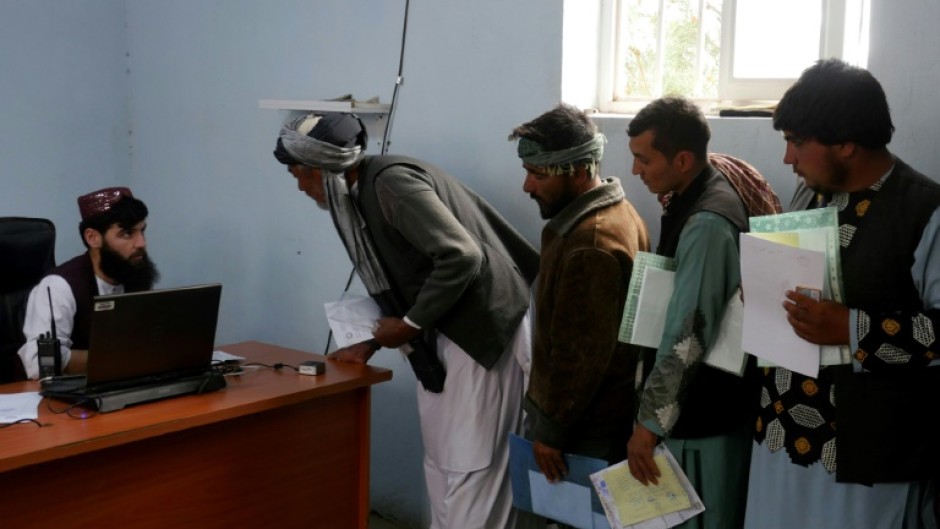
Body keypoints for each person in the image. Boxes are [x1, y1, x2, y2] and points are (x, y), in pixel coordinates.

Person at [272, 112, 540, 529]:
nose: (300, 187)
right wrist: (374, 340)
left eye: (298, 175)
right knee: (443, 462)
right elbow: (409, 275)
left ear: (322, 170)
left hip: (480, 332)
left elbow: (462, 256)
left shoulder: (390, 184)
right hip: (441, 336)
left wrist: (410, 325)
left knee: (472, 466)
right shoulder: (359, 194)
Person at [744, 59, 939, 529]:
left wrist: (852, 328)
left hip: (866, 460)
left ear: (846, 142)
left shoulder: (923, 210)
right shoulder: (810, 194)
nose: (788, 159)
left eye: (796, 142)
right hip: (781, 437)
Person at [625, 96, 781, 529]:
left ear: (683, 159)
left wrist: (648, 425)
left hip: (705, 419)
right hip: (699, 412)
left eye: (643, 159)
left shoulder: (707, 223)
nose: (636, 170)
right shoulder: (697, 191)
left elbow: (687, 333)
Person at [508, 103, 649, 489]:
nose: (527, 186)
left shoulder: (591, 242)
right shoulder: (617, 211)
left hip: (589, 429)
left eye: (538, 174)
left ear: (580, 171)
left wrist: (552, 432)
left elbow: (580, 355)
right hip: (601, 420)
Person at [17, 187, 158, 379]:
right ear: (93, 238)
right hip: (67, 401)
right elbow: (41, 362)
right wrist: (118, 359)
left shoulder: (134, 274)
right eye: (127, 233)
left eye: (142, 231)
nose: (141, 243)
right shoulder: (59, 286)